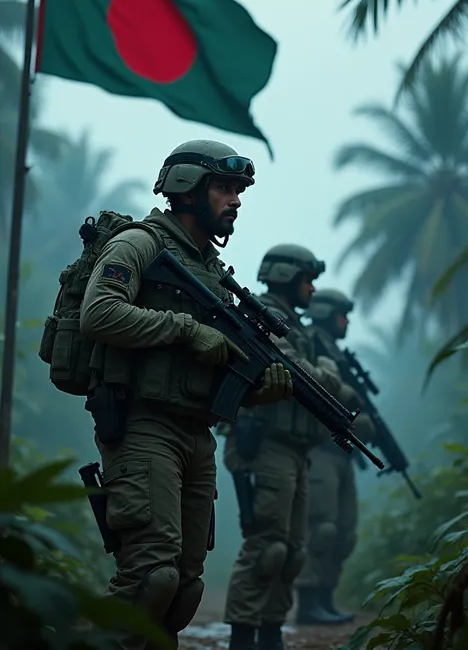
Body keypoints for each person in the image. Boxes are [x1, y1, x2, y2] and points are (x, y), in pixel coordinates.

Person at [79, 140, 293, 650]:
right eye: (224, 188)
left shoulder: (213, 273)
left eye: (238, 190)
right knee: (151, 577)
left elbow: (214, 372)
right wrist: (185, 329)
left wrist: (259, 391)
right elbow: (98, 312)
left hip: (197, 433)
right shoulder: (140, 244)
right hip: (141, 425)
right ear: (187, 189)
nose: (235, 200)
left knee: (183, 589)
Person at [219, 245, 347, 650]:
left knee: (292, 551)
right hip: (264, 444)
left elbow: (324, 382)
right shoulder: (262, 316)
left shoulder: (297, 325)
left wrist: (324, 376)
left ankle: (271, 634)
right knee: (266, 547)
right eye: (307, 280)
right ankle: (242, 637)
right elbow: (304, 376)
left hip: (295, 448)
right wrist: (326, 373)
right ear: (287, 277)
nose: (312, 289)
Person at [294, 289, 375, 626]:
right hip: (319, 447)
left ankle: (325, 597)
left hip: (341, 451)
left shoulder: (335, 352)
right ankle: (309, 601)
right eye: (343, 315)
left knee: (344, 531)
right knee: (321, 527)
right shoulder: (311, 342)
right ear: (328, 314)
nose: (347, 322)